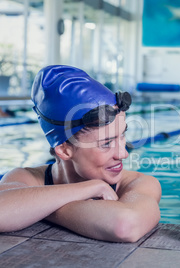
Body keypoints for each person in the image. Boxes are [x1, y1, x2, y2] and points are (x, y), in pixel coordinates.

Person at [0, 65, 161, 243]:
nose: (123, 154)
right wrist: (90, 188)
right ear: (64, 149)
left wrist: (34, 208)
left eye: (122, 135)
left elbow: (126, 225)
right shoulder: (25, 177)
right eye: (106, 143)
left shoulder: (139, 184)